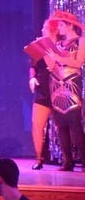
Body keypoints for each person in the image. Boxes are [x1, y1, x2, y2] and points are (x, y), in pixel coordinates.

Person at [43, 10, 85, 171]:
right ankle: (67, 161)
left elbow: (78, 62)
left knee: (75, 124)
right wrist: (44, 50)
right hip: (55, 86)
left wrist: (58, 58)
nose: (58, 28)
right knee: (61, 125)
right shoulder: (58, 44)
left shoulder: (81, 41)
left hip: (71, 85)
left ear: (69, 25)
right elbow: (51, 66)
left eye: (61, 24)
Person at [27, 19, 55, 170]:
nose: (42, 31)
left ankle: (68, 159)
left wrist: (45, 48)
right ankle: (39, 158)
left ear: (54, 31)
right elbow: (33, 65)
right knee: (37, 125)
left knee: (65, 127)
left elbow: (54, 66)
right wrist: (32, 77)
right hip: (42, 89)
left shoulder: (61, 47)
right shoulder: (38, 46)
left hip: (59, 90)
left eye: (45, 29)